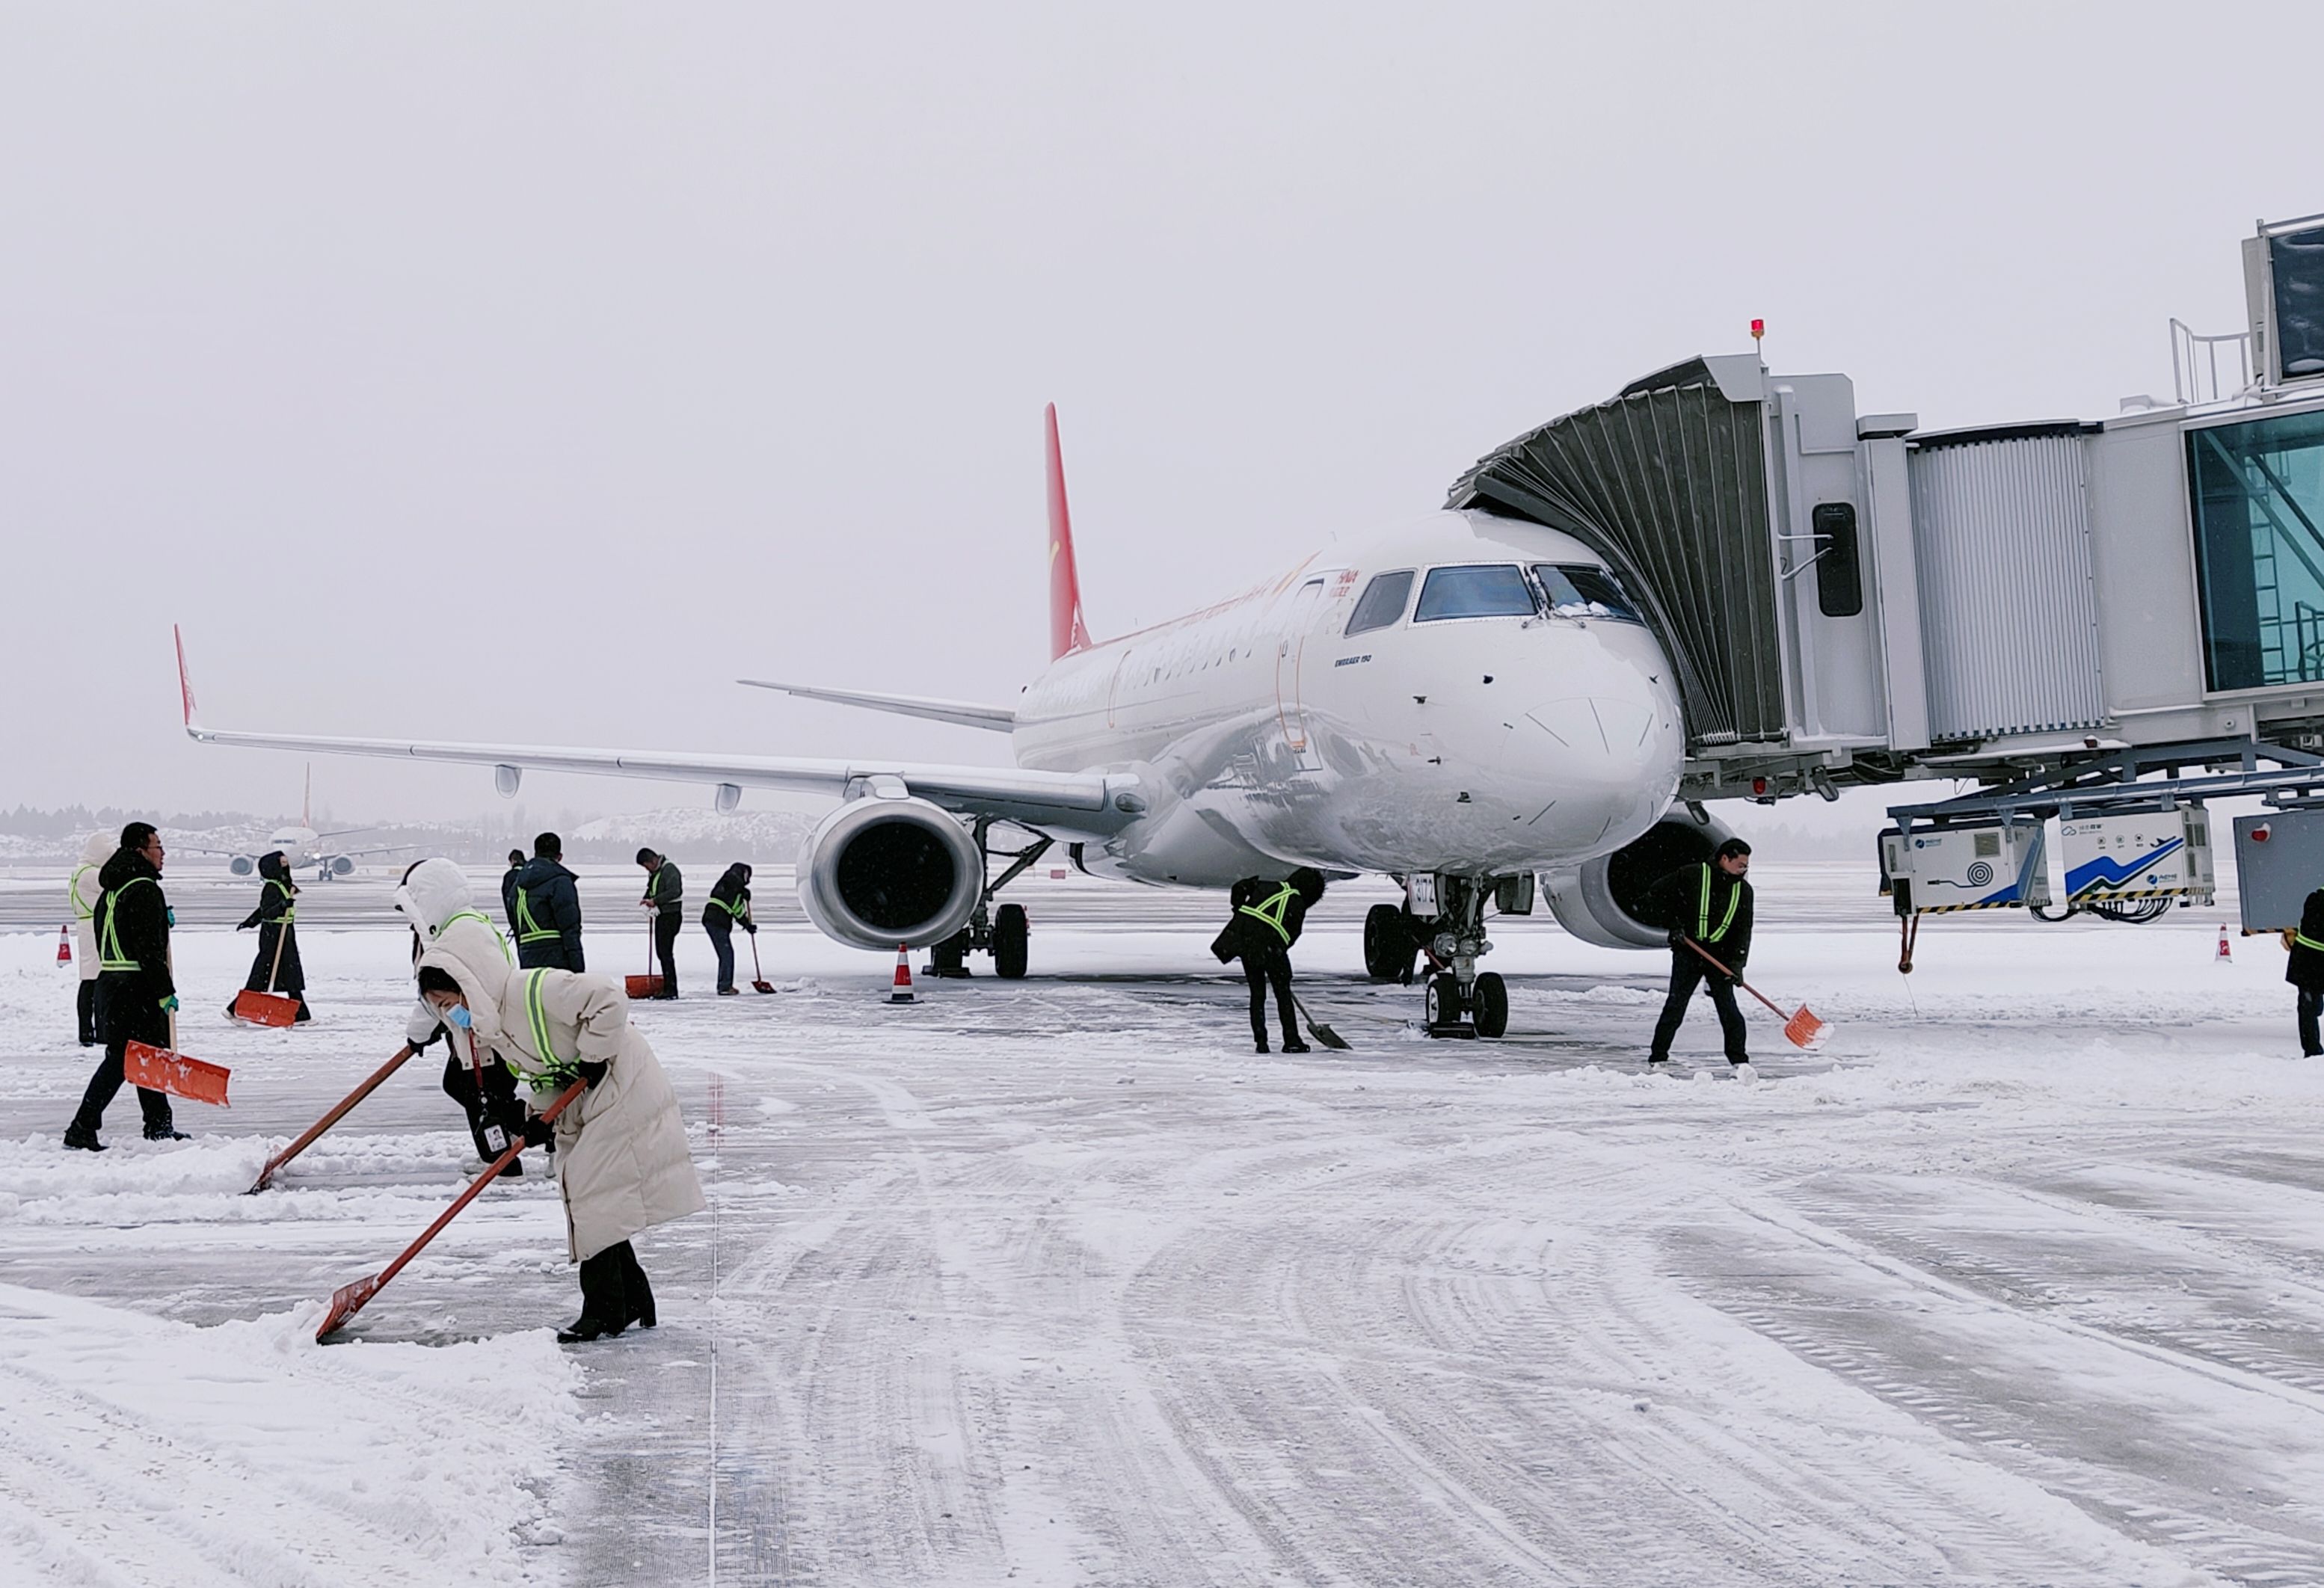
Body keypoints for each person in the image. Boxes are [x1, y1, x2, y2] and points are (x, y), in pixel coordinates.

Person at [414, 939, 705, 1343]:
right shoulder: (494, 1026)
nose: (451, 1013)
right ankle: (633, 1299)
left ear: (470, 985)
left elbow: (608, 999)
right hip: (587, 1094)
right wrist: (537, 1118)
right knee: (594, 1193)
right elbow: (547, 1070)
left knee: (587, 1190)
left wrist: (593, 1054)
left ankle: (604, 1311)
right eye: (441, 1008)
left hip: (622, 1083)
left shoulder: (531, 989)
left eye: (450, 1001)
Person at [394, 857, 527, 1174]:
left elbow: (439, 995)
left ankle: (504, 1166)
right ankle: (536, 1132)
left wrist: (420, 1033)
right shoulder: (465, 925)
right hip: (476, 1035)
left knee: (482, 1099)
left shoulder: (460, 934)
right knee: (461, 1085)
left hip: (485, 1040)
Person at [64, 823, 184, 1148]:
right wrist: (165, 991)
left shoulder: (112, 890)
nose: (163, 854)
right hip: (136, 987)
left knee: (145, 1056)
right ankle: (82, 1127)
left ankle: (158, 1125)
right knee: (123, 1060)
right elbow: (148, 949)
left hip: (111, 984)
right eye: (158, 846)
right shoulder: (144, 889)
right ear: (140, 850)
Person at [1644, 837, 1756, 1071]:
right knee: (1675, 1007)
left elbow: (1743, 929)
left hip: (1721, 958)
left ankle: (1739, 1061)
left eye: (1746, 866)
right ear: (1725, 859)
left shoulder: (1743, 890)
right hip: (1689, 952)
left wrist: (1737, 964)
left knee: (1729, 1010)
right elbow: (1655, 895)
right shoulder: (1691, 875)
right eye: (1741, 864)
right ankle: (1658, 1058)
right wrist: (1672, 925)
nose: (1744, 869)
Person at [1212, 868, 1326, 1054]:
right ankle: (1291, 1040)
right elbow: (1293, 934)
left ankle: (1261, 1042)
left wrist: (1239, 910)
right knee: (1283, 996)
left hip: (1247, 943)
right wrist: (1277, 953)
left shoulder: (1265, 885)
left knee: (1257, 995)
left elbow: (1239, 887)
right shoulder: (1297, 904)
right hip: (1272, 948)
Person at [229, 850, 310, 1021]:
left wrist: (250, 921)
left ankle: (302, 1015)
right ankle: (234, 1009)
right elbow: (267, 912)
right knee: (264, 973)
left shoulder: (283, 885)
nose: (286, 866)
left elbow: (261, 912)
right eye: (282, 863)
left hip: (285, 934)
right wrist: (282, 905)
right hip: (273, 935)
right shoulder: (272, 887)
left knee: (290, 972)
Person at [514, 832, 586, 971]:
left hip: (527, 957)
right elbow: (570, 927)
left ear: (535, 854)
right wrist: (578, 968)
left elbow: (516, 924)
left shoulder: (518, 884)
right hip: (557, 958)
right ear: (559, 857)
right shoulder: (560, 881)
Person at [68, 831, 110, 1047]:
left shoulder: (78, 871)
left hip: (85, 926)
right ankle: (99, 1030)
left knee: (89, 980)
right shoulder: (92, 874)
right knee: (99, 981)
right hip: (96, 927)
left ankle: (86, 1029)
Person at [702, 862, 756, 994]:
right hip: (716, 920)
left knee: (726, 954)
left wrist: (747, 925)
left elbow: (736, 909)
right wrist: (742, 890)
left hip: (716, 920)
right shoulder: (730, 880)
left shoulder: (732, 886)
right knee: (727, 954)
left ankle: (724, 984)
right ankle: (725, 986)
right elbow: (732, 883)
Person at [636, 848, 683, 998]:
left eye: (646, 865)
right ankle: (668, 986)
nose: (646, 869)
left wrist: (655, 901)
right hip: (662, 915)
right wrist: (647, 899)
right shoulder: (656, 873)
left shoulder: (670, 870)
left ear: (653, 860)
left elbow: (675, 891)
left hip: (671, 915)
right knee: (661, 952)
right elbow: (652, 889)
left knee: (665, 952)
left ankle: (671, 989)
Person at [2287, 883, 2324, 1056]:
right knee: (2311, 1006)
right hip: (2313, 961)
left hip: (2304, 961)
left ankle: (2311, 1049)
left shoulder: (2313, 898)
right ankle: (2312, 1049)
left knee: (2308, 1005)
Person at [499, 849, 526, 936]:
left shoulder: (509, 877)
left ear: (513, 861)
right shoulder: (531, 872)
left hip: (517, 921)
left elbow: (507, 899)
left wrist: (513, 923)